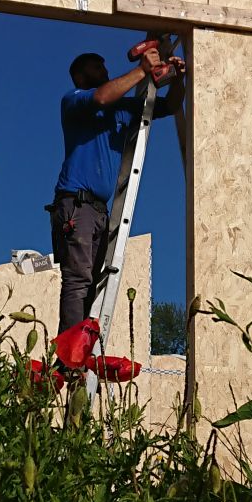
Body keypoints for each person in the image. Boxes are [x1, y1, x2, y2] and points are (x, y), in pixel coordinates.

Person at [49, 48, 183, 335]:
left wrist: (178, 78)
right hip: (76, 204)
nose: (105, 70)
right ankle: (70, 359)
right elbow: (101, 96)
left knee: (93, 285)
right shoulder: (74, 100)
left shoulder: (120, 108)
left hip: (98, 211)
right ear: (80, 76)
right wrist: (143, 70)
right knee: (78, 280)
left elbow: (168, 107)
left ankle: (80, 354)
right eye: (98, 67)